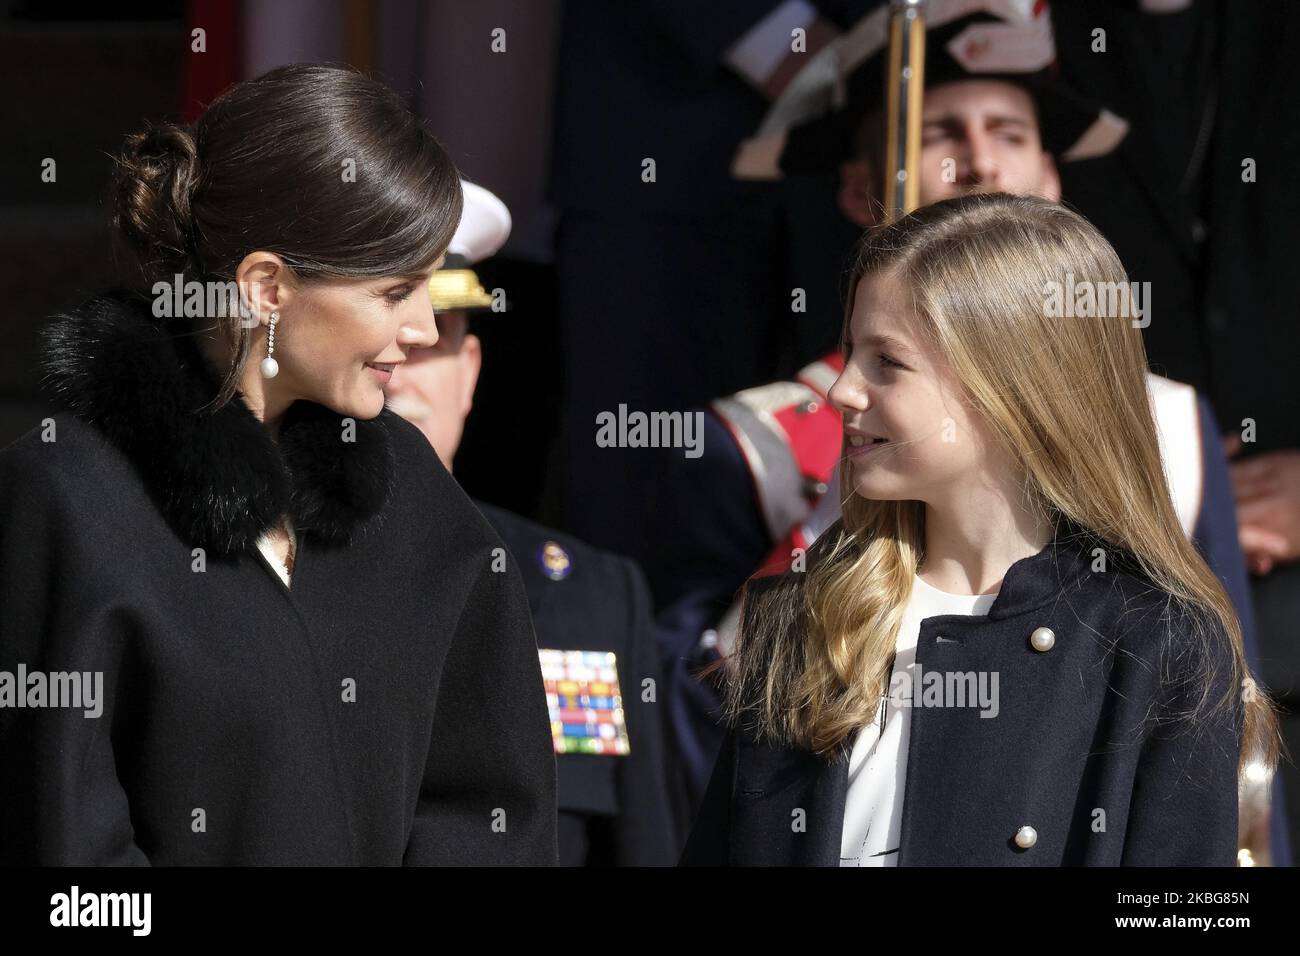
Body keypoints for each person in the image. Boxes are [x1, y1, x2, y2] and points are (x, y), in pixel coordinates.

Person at [654, 0, 1286, 865]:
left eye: (889, 363)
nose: (845, 391)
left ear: (1009, 383)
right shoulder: (806, 612)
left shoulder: (1157, 637)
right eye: (943, 128)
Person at [0, 64, 557, 865]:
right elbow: (61, 850)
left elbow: (491, 809)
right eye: (396, 291)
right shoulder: (68, 502)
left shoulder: (416, 496)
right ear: (266, 288)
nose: (426, 328)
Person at [384, 181, 679, 865]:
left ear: (471, 370)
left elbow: (644, 844)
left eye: (432, 339)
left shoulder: (595, 594)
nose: (400, 372)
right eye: (385, 339)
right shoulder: (262, 567)